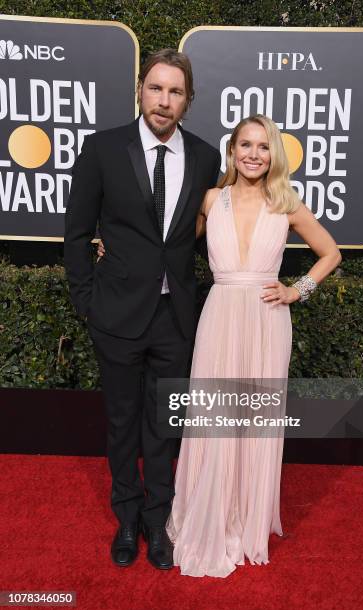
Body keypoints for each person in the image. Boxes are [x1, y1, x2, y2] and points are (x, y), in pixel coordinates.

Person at [64, 49, 222, 570]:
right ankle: (126, 517)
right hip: (115, 315)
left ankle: (159, 522)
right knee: (122, 423)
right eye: (156, 88)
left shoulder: (204, 157)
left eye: (176, 92)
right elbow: (77, 234)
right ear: (140, 90)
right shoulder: (102, 148)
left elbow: (199, 235)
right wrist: (88, 302)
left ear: (188, 100)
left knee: (163, 426)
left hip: (174, 318)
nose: (164, 100)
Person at [164, 115, 342, 577]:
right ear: (232, 150)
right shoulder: (209, 199)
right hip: (220, 314)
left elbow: (331, 253)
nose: (254, 154)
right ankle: (211, 514)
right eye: (246, 144)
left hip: (267, 320)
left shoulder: (286, 203)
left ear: (274, 154)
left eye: (264, 147)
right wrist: (118, 250)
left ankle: (245, 521)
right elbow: (172, 247)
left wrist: (296, 289)